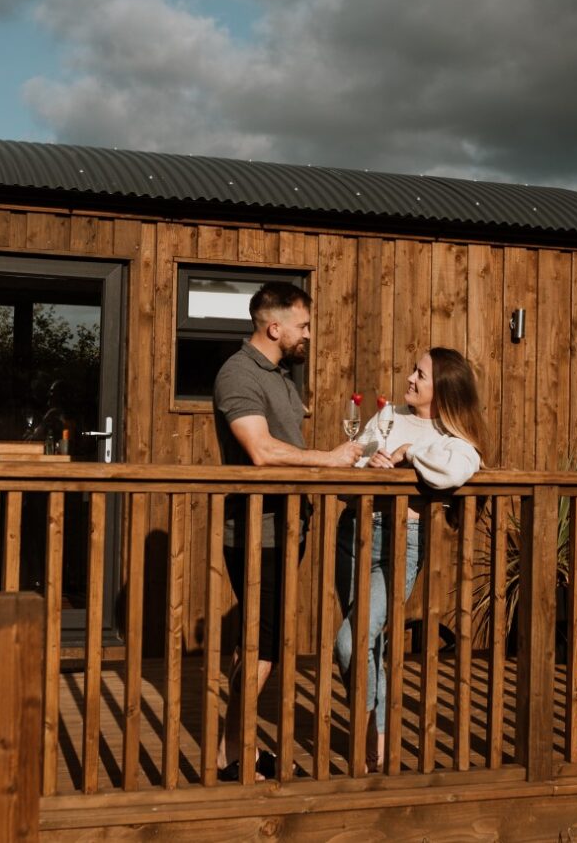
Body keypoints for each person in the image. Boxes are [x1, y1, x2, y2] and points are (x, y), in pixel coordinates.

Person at [213, 281, 363, 781]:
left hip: (284, 530)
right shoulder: (237, 374)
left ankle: (234, 753)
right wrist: (331, 460)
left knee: (257, 644)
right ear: (273, 327)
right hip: (258, 534)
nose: (308, 335)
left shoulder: (279, 374)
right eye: (302, 326)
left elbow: (287, 439)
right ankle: (233, 758)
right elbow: (261, 450)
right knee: (266, 649)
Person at [336, 347, 484, 770]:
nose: (410, 378)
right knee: (370, 644)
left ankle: (364, 736)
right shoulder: (388, 416)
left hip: (401, 541)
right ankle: (379, 742)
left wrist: (407, 455)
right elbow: (352, 459)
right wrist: (368, 465)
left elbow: (454, 471)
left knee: (351, 640)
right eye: (413, 370)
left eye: (421, 374)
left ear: (444, 388)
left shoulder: (453, 437)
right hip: (353, 532)